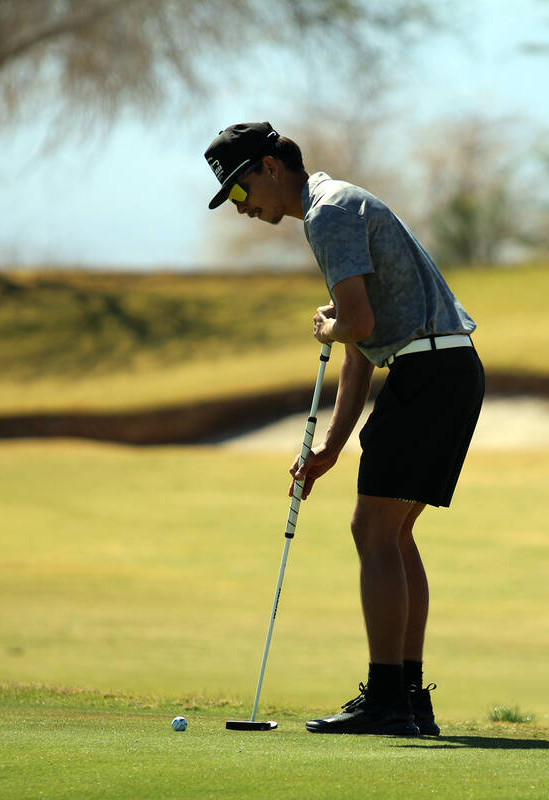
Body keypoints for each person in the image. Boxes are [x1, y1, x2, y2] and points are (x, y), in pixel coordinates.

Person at [204, 122, 484, 736]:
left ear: (271, 168)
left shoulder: (327, 214)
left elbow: (354, 326)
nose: (244, 210)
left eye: (243, 192)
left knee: (373, 529)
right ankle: (407, 699)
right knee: (394, 532)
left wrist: (331, 326)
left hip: (429, 371)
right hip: (447, 370)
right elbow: (362, 347)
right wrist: (331, 447)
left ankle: (388, 699)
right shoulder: (336, 206)